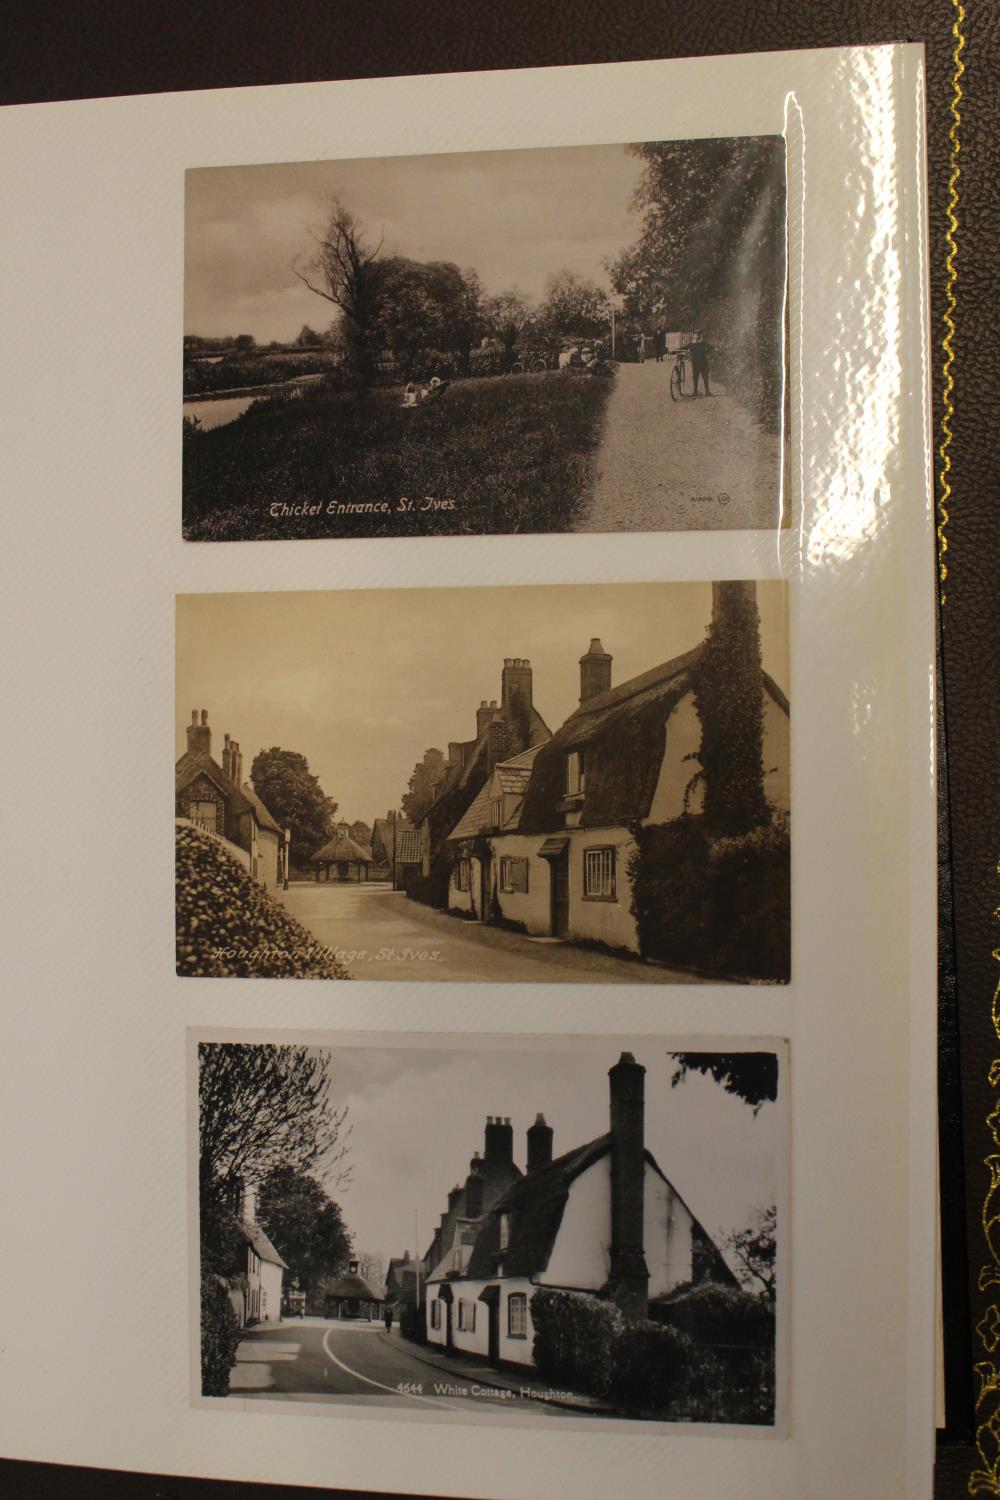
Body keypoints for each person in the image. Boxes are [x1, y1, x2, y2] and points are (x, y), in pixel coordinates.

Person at [690, 332, 712, 396]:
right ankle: (695, 392)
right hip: (696, 363)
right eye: (696, 336)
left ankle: (707, 391)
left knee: (705, 377)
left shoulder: (704, 344)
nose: (697, 338)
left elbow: (710, 348)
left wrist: (709, 352)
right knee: (696, 377)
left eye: (698, 336)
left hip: (703, 363)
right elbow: (684, 348)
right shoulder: (692, 344)